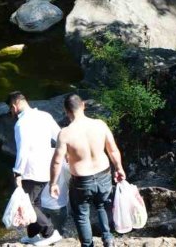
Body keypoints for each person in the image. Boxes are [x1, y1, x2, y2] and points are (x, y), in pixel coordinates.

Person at [49, 93, 125, 247]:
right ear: (83, 105)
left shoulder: (65, 134)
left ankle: (88, 245)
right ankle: (108, 239)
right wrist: (119, 168)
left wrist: (53, 183)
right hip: (103, 173)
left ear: (66, 111)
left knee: (82, 215)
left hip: (81, 181)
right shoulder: (100, 124)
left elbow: (57, 161)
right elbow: (113, 150)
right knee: (103, 206)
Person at [8, 91, 64, 246]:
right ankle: (32, 234)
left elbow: (23, 150)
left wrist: (17, 172)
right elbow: (60, 136)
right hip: (47, 167)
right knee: (36, 201)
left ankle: (50, 232)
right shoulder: (45, 116)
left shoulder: (21, 124)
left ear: (14, 105)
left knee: (29, 204)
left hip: (31, 170)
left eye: (10, 109)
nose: (11, 113)